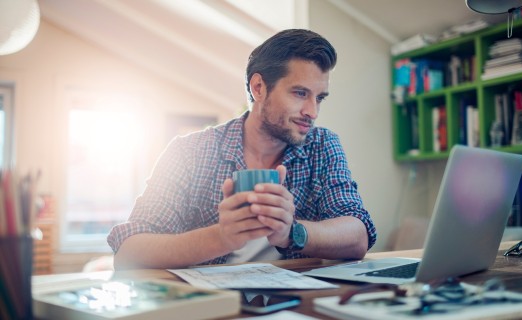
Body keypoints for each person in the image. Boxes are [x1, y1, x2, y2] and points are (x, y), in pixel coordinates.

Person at [108, 29, 377, 270]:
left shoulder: (322, 146)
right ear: (258, 87)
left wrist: (292, 233)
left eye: (319, 98)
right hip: (212, 304)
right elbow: (129, 252)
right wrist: (221, 238)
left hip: (295, 303)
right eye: (299, 93)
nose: (312, 111)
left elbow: (357, 236)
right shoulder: (188, 152)